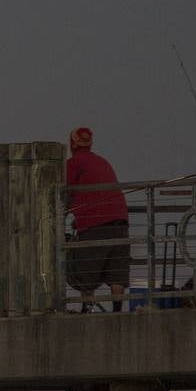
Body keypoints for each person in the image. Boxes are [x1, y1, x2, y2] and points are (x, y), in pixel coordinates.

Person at [65, 127, 130, 312]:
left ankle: (87, 309)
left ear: (72, 144)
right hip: (121, 222)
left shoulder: (73, 163)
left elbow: (65, 192)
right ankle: (117, 312)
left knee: (87, 271)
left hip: (95, 224)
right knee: (117, 271)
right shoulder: (102, 161)